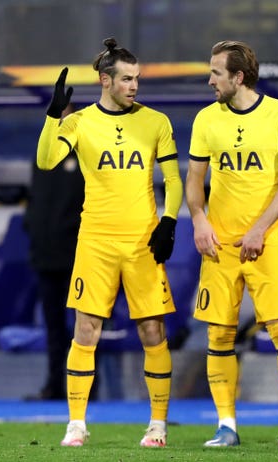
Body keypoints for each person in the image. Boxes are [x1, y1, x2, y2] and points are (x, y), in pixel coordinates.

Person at [36, 37, 183, 448]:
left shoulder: (156, 121)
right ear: (105, 80)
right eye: (127, 79)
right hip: (96, 241)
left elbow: (173, 180)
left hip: (142, 243)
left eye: (137, 79)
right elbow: (46, 160)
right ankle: (76, 423)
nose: (135, 86)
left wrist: (169, 221)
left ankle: (158, 424)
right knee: (86, 329)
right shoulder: (80, 122)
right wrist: (52, 114)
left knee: (153, 331)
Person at [186, 40, 278, 448]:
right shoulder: (206, 119)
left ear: (238, 77)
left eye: (216, 73)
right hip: (219, 245)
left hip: (268, 241)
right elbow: (194, 182)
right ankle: (227, 425)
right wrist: (200, 220)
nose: (210, 80)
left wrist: (260, 227)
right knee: (218, 336)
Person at [23, 102, 84, 401]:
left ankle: (85, 388)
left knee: (84, 326)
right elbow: (35, 202)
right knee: (54, 328)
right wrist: (32, 230)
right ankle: (54, 384)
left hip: (78, 256)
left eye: (67, 117)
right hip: (46, 256)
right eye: (57, 117)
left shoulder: (87, 157)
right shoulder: (41, 158)